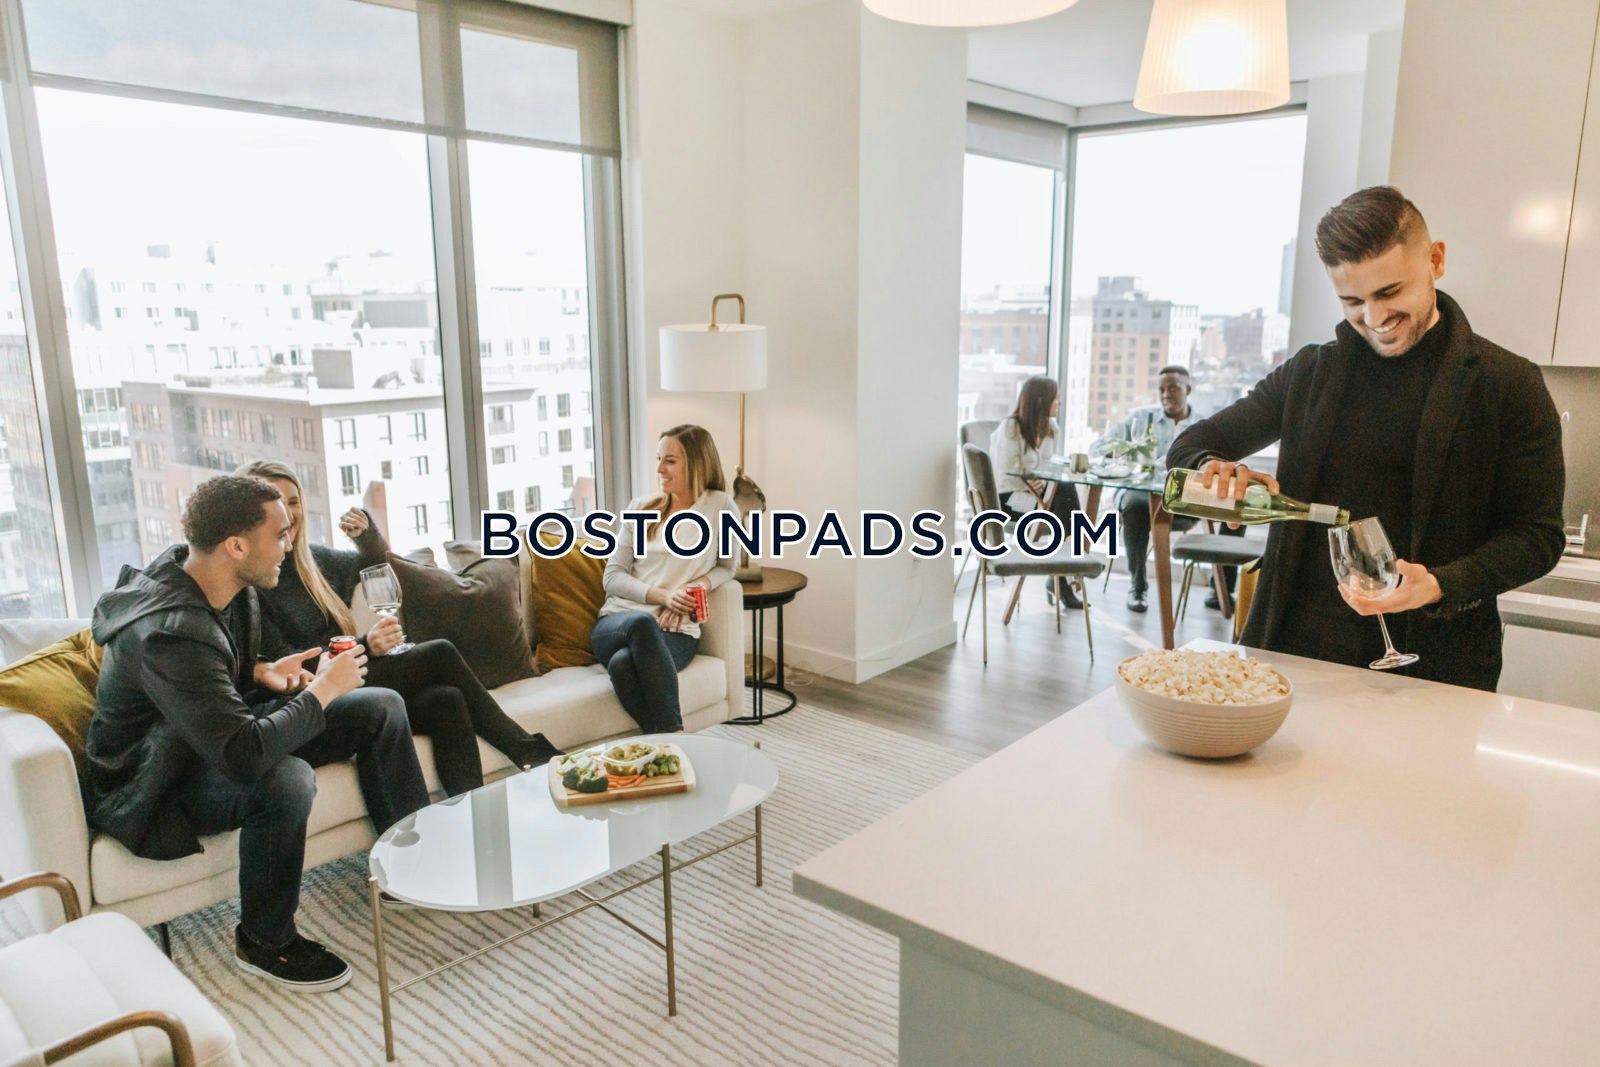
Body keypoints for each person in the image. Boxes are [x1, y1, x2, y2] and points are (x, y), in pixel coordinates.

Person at [1168, 186, 1565, 690]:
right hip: (1293, 653)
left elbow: (1537, 536)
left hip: (1439, 663)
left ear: (1436, 260)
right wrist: (1211, 466)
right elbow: (1191, 443)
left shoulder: (1509, 383)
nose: (1375, 320)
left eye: (1389, 292)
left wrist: (1440, 584)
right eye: (1353, 301)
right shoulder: (1309, 373)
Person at [86, 475, 430, 993]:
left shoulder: (218, 580)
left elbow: (207, 690)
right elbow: (243, 756)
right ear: (237, 545)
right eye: (281, 534)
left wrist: (257, 672)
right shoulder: (170, 631)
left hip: (207, 738)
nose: (290, 545)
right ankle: (265, 940)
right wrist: (322, 691)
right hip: (155, 781)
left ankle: (407, 868)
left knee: (378, 705)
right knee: (284, 778)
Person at [235, 460, 561, 797]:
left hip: (349, 674)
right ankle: (527, 749)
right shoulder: (252, 582)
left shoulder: (314, 562)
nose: (288, 514)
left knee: (446, 700)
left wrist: (366, 534)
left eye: (294, 502)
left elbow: (375, 564)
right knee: (439, 653)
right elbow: (290, 667)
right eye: (277, 503)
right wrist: (367, 645)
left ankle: (469, 813)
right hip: (309, 698)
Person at [592, 425, 739, 732]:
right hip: (618, 622)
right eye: (659, 459)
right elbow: (613, 577)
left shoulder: (721, 507)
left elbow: (727, 567)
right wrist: (665, 597)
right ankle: (678, 737)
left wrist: (692, 588)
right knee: (641, 622)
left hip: (676, 632)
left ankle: (661, 746)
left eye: (670, 461)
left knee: (622, 665)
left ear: (697, 463)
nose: (659, 469)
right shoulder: (640, 508)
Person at [1094, 365, 1244, 613]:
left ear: (1188, 389)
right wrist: (1125, 452)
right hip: (1141, 501)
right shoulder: (1141, 418)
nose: (1166, 395)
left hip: (1185, 507)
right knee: (1134, 503)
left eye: (1173, 388)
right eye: (1161, 389)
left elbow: (1224, 462)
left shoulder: (1204, 426)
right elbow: (1099, 446)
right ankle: (1138, 587)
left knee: (1237, 503)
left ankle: (1221, 591)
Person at [988, 375, 1086, 608]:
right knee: (1061, 511)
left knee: (1064, 490)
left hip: (1036, 497)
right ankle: (1067, 572)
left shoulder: (1052, 429)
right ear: (1041, 400)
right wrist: (1030, 484)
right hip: (1008, 499)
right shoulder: (1011, 427)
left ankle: (1063, 574)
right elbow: (1004, 475)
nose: (1059, 402)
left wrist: (1038, 483)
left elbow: (1047, 468)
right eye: (1055, 398)